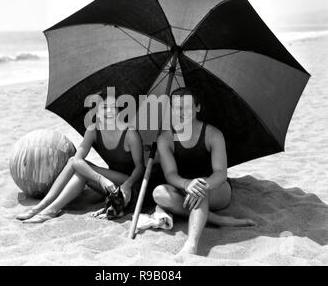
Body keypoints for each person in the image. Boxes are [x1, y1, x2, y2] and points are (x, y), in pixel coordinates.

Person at [16, 88, 145, 223]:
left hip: (128, 185)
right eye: (104, 107)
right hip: (110, 186)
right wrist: (101, 179)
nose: (109, 111)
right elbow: (77, 160)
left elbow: (140, 167)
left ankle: (49, 210)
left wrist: (127, 184)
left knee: (78, 166)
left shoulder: (130, 133)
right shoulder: (93, 130)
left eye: (114, 107)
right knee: (75, 162)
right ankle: (41, 207)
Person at [153, 87, 255, 255]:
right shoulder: (165, 138)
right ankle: (218, 219)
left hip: (217, 189)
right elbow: (170, 174)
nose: (181, 112)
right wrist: (187, 184)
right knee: (158, 193)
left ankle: (191, 244)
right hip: (185, 189)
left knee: (200, 189)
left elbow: (221, 173)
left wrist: (200, 185)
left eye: (186, 107)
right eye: (177, 107)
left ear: (197, 108)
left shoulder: (213, 134)